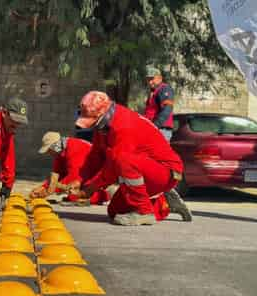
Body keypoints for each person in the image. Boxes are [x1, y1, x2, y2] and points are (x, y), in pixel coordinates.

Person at [72, 91, 192, 226]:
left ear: (104, 114)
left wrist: (90, 188)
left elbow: (113, 167)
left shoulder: (124, 126)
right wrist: (80, 180)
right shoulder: (103, 127)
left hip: (166, 171)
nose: (92, 125)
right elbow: (95, 157)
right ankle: (163, 203)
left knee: (123, 159)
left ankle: (144, 212)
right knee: (115, 211)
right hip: (147, 169)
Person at [30, 131, 110, 204]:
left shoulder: (74, 147)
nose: (48, 153)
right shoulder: (60, 153)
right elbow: (57, 175)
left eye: (48, 150)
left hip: (98, 170)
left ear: (55, 146)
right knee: (72, 194)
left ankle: (102, 195)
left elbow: (75, 176)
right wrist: (43, 187)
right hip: (85, 172)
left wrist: (49, 190)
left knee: (74, 195)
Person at [144, 66, 175, 142]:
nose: (150, 82)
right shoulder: (153, 91)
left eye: (152, 79)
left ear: (159, 78)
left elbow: (167, 109)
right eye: (148, 79)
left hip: (161, 130)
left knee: (159, 153)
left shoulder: (164, 89)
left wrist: (155, 125)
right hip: (152, 129)